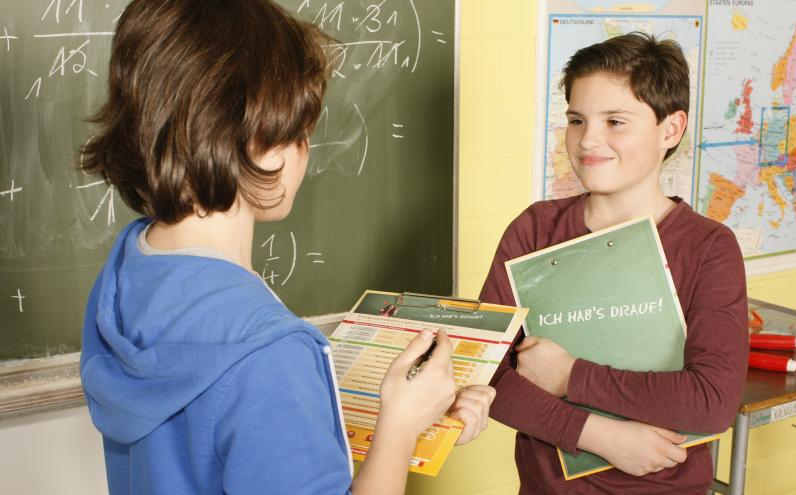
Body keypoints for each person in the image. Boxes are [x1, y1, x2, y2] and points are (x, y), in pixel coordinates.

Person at [78, 1, 494, 494]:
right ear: (262, 142)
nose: (305, 149)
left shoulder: (126, 271)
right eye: (300, 132)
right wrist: (400, 430)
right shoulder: (270, 352)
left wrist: (397, 414)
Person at [480, 32, 748, 494]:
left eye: (616, 121)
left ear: (671, 129)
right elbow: (486, 373)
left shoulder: (709, 247)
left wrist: (569, 376)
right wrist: (599, 434)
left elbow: (711, 401)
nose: (589, 140)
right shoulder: (533, 231)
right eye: (577, 119)